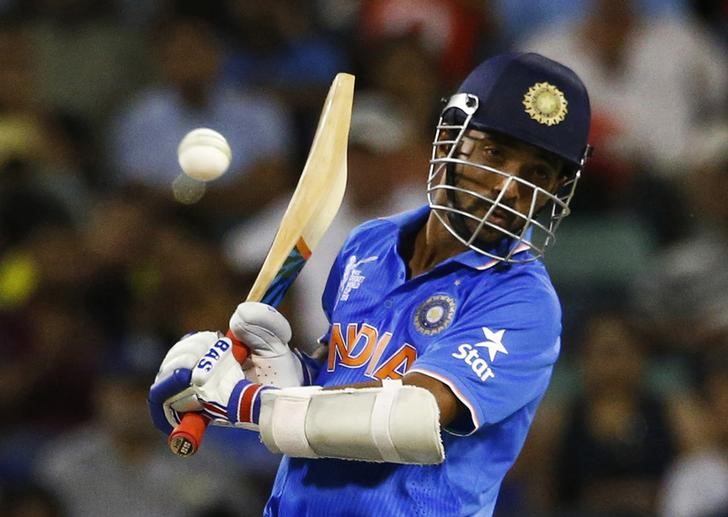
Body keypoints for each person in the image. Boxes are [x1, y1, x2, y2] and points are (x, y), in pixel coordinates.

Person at [149, 52, 592, 516]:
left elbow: (412, 416)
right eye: (495, 153)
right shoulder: (370, 243)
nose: (509, 188)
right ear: (450, 141)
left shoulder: (523, 301)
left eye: (537, 174)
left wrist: (249, 404)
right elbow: (341, 379)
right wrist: (281, 369)